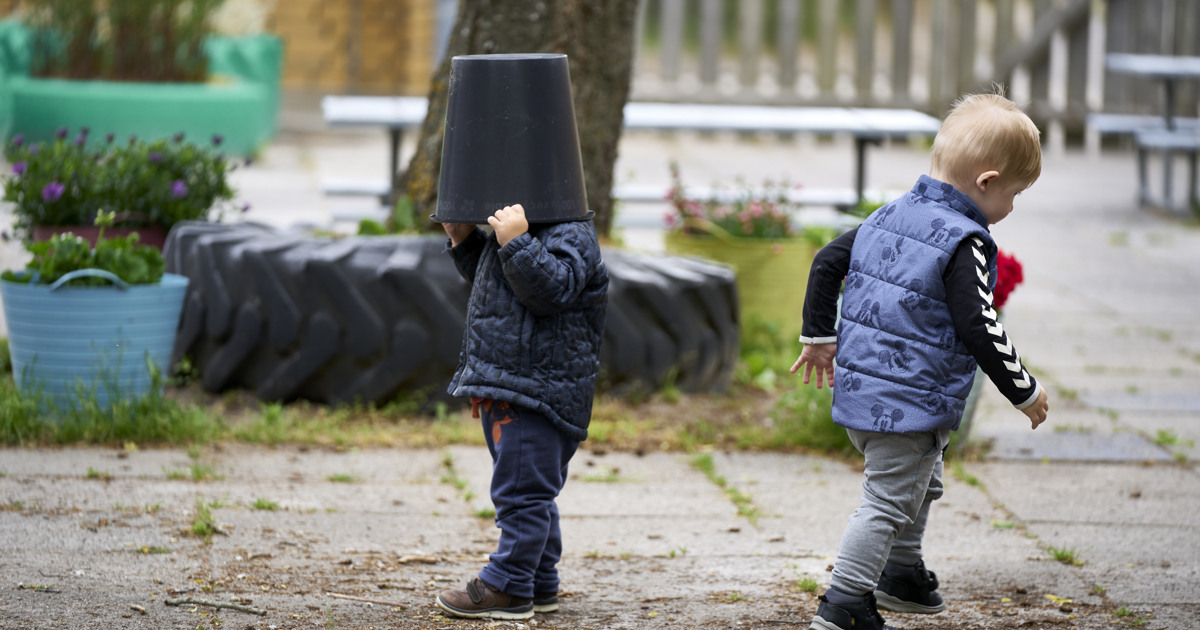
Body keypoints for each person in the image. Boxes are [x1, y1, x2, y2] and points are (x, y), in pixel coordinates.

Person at [791, 93, 1051, 630]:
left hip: (868, 394)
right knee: (887, 500)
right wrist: (1023, 389)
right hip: (909, 398)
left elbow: (825, 262)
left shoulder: (890, 213)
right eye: (1014, 194)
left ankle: (901, 574)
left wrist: (818, 336)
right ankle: (844, 604)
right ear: (986, 181)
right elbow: (979, 324)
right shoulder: (966, 239)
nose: (1010, 208)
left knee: (919, 480)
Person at [434, 204, 609, 620]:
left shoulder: (572, 232)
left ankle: (509, 585)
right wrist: (465, 240)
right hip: (510, 382)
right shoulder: (528, 225)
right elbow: (499, 282)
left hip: (539, 390)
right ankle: (538, 580)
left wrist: (515, 240)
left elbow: (550, 291)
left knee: (521, 493)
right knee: (530, 490)